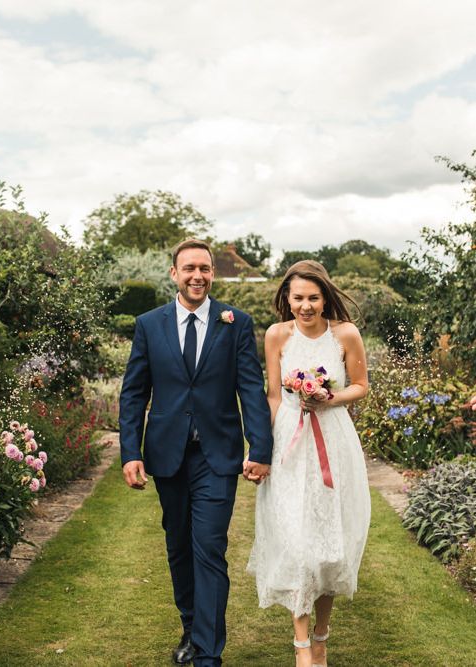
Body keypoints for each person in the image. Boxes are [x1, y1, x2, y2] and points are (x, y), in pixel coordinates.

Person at [119, 238, 274, 667]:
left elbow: (250, 389)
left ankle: (207, 654)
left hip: (217, 456)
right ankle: (191, 627)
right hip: (167, 455)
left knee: (209, 547)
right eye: (189, 268)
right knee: (179, 547)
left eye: (204, 269)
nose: (197, 276)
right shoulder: (149, 325)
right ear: (174, 273)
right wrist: (130, 451)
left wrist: (260, 447)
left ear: (212, 273)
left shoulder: (235, 323)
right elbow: (134, 393)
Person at [247, 260, 371, 667]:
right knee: (296, 543)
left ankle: (321, 634)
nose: (305, 306)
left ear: (325, 296)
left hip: (333, 442)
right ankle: (302, 645)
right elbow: (273, 395)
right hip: (289, 444)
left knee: (330, 548)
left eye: (313, 297)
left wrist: (326, 397)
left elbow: (360, 386)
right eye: (298, 297)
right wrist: (260, 450)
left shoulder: (345, 335)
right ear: (287, 298)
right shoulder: (276, 335)